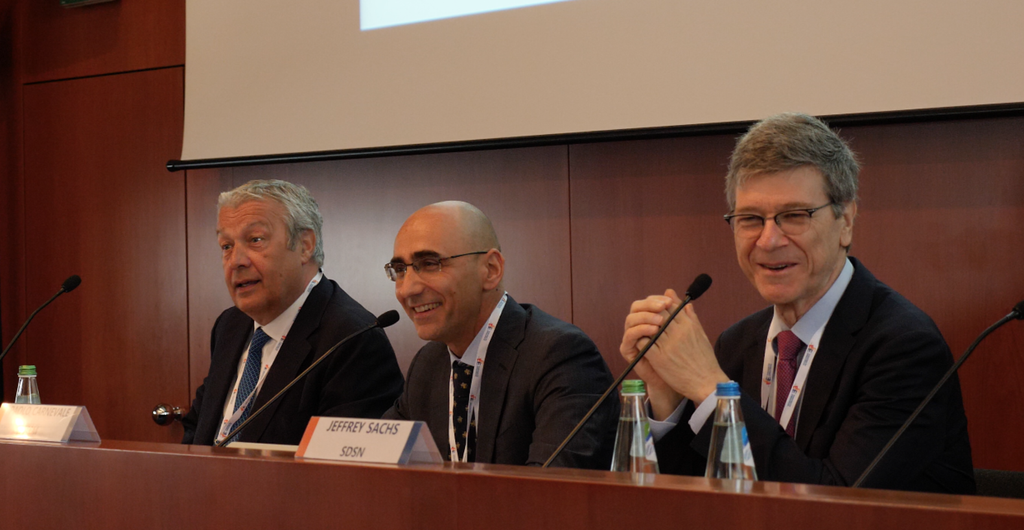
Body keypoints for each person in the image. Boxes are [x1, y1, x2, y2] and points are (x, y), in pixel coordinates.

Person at [620, 113, 975, 493]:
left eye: (794, 215)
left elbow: (836, 502)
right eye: (750, 218)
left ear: (847, 220)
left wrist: (713, 390)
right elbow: (696, 495)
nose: (769, 240)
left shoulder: (905, 348)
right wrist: (666, 396)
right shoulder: (737, 344)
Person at [384, 201, 616, 468]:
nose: (407, 289)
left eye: (430, 263)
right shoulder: (428, 365)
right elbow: (379, 465)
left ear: (491, 270)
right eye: (400, 270)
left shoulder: (561, 356)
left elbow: (552, 491)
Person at [182, 179, 404, 446]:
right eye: (226, 246)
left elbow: (343, 472)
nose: (236, 261)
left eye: (255, 240)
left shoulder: (352, 339)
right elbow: (199, 425)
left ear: (305, 245)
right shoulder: (230, 325)